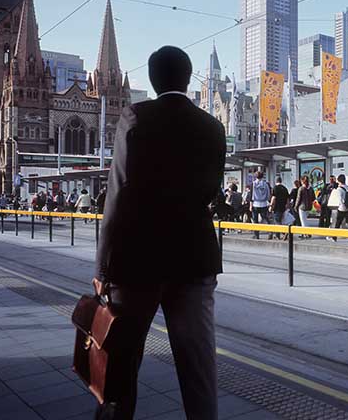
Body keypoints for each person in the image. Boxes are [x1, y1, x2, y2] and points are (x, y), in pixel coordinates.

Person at [94, 45, 224, 419]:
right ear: (188, 77)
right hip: (195, 259)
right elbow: (209, 192)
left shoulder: (135, 117)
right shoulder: (212, 127)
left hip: (138, 262)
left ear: (152, 80)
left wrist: (103, 269)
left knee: (121, 362)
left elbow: (118, 193)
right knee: (198, 364)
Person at [326, 174, 348, 243]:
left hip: (342, 208)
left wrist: (341, 205)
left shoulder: (339, 189)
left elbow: (340, 199)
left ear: (338, 181)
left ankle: (334, 238)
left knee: (337, 223)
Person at [250, 171, 272, 239]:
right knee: (266, 219)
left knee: (255, 220)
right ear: (262, 176)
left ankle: (256, 235)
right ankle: (270, 232)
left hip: (255, 204)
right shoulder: (266, 184)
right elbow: (269, 194)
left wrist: (250, 205)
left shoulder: (253, 184)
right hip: (264, 204)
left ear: (255, 176)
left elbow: (251, 195)